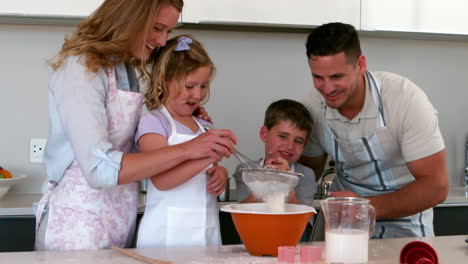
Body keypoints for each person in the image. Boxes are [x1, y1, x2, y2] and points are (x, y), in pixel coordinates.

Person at [35, 0, 236, 251]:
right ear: (129, 19)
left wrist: (183, 121)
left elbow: (132, 146)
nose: (162, 41)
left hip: (117, 221)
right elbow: (99, 168)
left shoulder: (126, 71)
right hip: (76, 226)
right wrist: (190, 149)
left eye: (168, 32)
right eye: (157, 28)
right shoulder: (81, 71)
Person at [301, 22, 448, 238]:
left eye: (336, 77)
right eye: (318, 78)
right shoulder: (313, 107)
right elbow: (307, 173)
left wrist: (363, 208)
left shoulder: (405, 100)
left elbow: (436, 186)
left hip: (406, 223)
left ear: (361, 64)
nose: (327, 88)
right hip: (344, 224)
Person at [135, 35, 230, 248]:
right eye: (189, 86)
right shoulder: (153, 123)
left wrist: (219, 173)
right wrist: (209, 155)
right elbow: (162, 180)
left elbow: (208, 169)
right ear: (165, 81)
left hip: (206, 233)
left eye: (203, 86)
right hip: (165, 236)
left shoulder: (203, 125)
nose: (197, 94)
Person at [234, 99, 317, 206]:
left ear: (304, 145)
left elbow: (302, 218)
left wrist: (286, 180)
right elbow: (242, 211)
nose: (290, 146)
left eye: (298, 141)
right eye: (283, 136)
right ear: (264, 134)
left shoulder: (306, 175)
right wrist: (269, 179)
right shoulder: (246, 170)